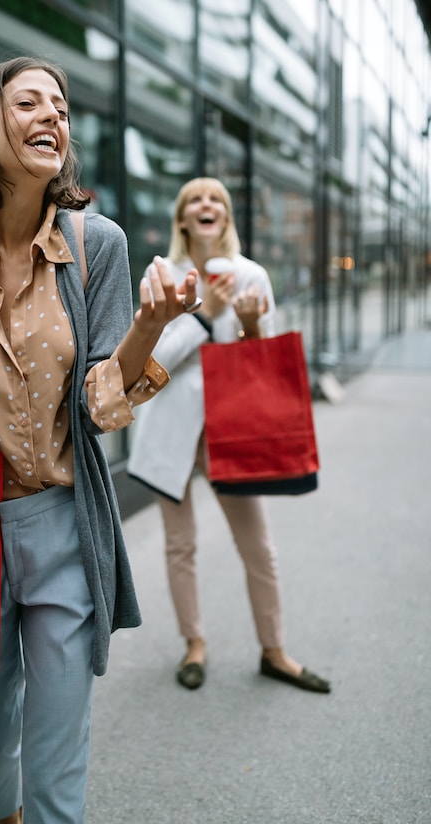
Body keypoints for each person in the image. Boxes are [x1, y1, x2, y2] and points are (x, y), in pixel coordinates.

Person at [0, 57, 201, 824]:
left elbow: (99, 403)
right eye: (28, 102)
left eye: (60, 106)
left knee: (58, 749)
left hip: (61, 524)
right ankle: (4, 813)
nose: (52, 115)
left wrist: (150, 325)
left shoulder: (98, 247)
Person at [127, 177, 331, 694]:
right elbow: (147, 361)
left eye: (215, 199)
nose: (206, 205)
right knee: (181, 545)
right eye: (194, 199)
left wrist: (248, 328)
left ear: (227, 217)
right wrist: (206, 315)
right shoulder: (163, 275)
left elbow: (262, 362)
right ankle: (194, 644)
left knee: (258, 548)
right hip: (172, 429)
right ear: (181, 218)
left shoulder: (252, 275)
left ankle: (275, 650)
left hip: (230, 431)